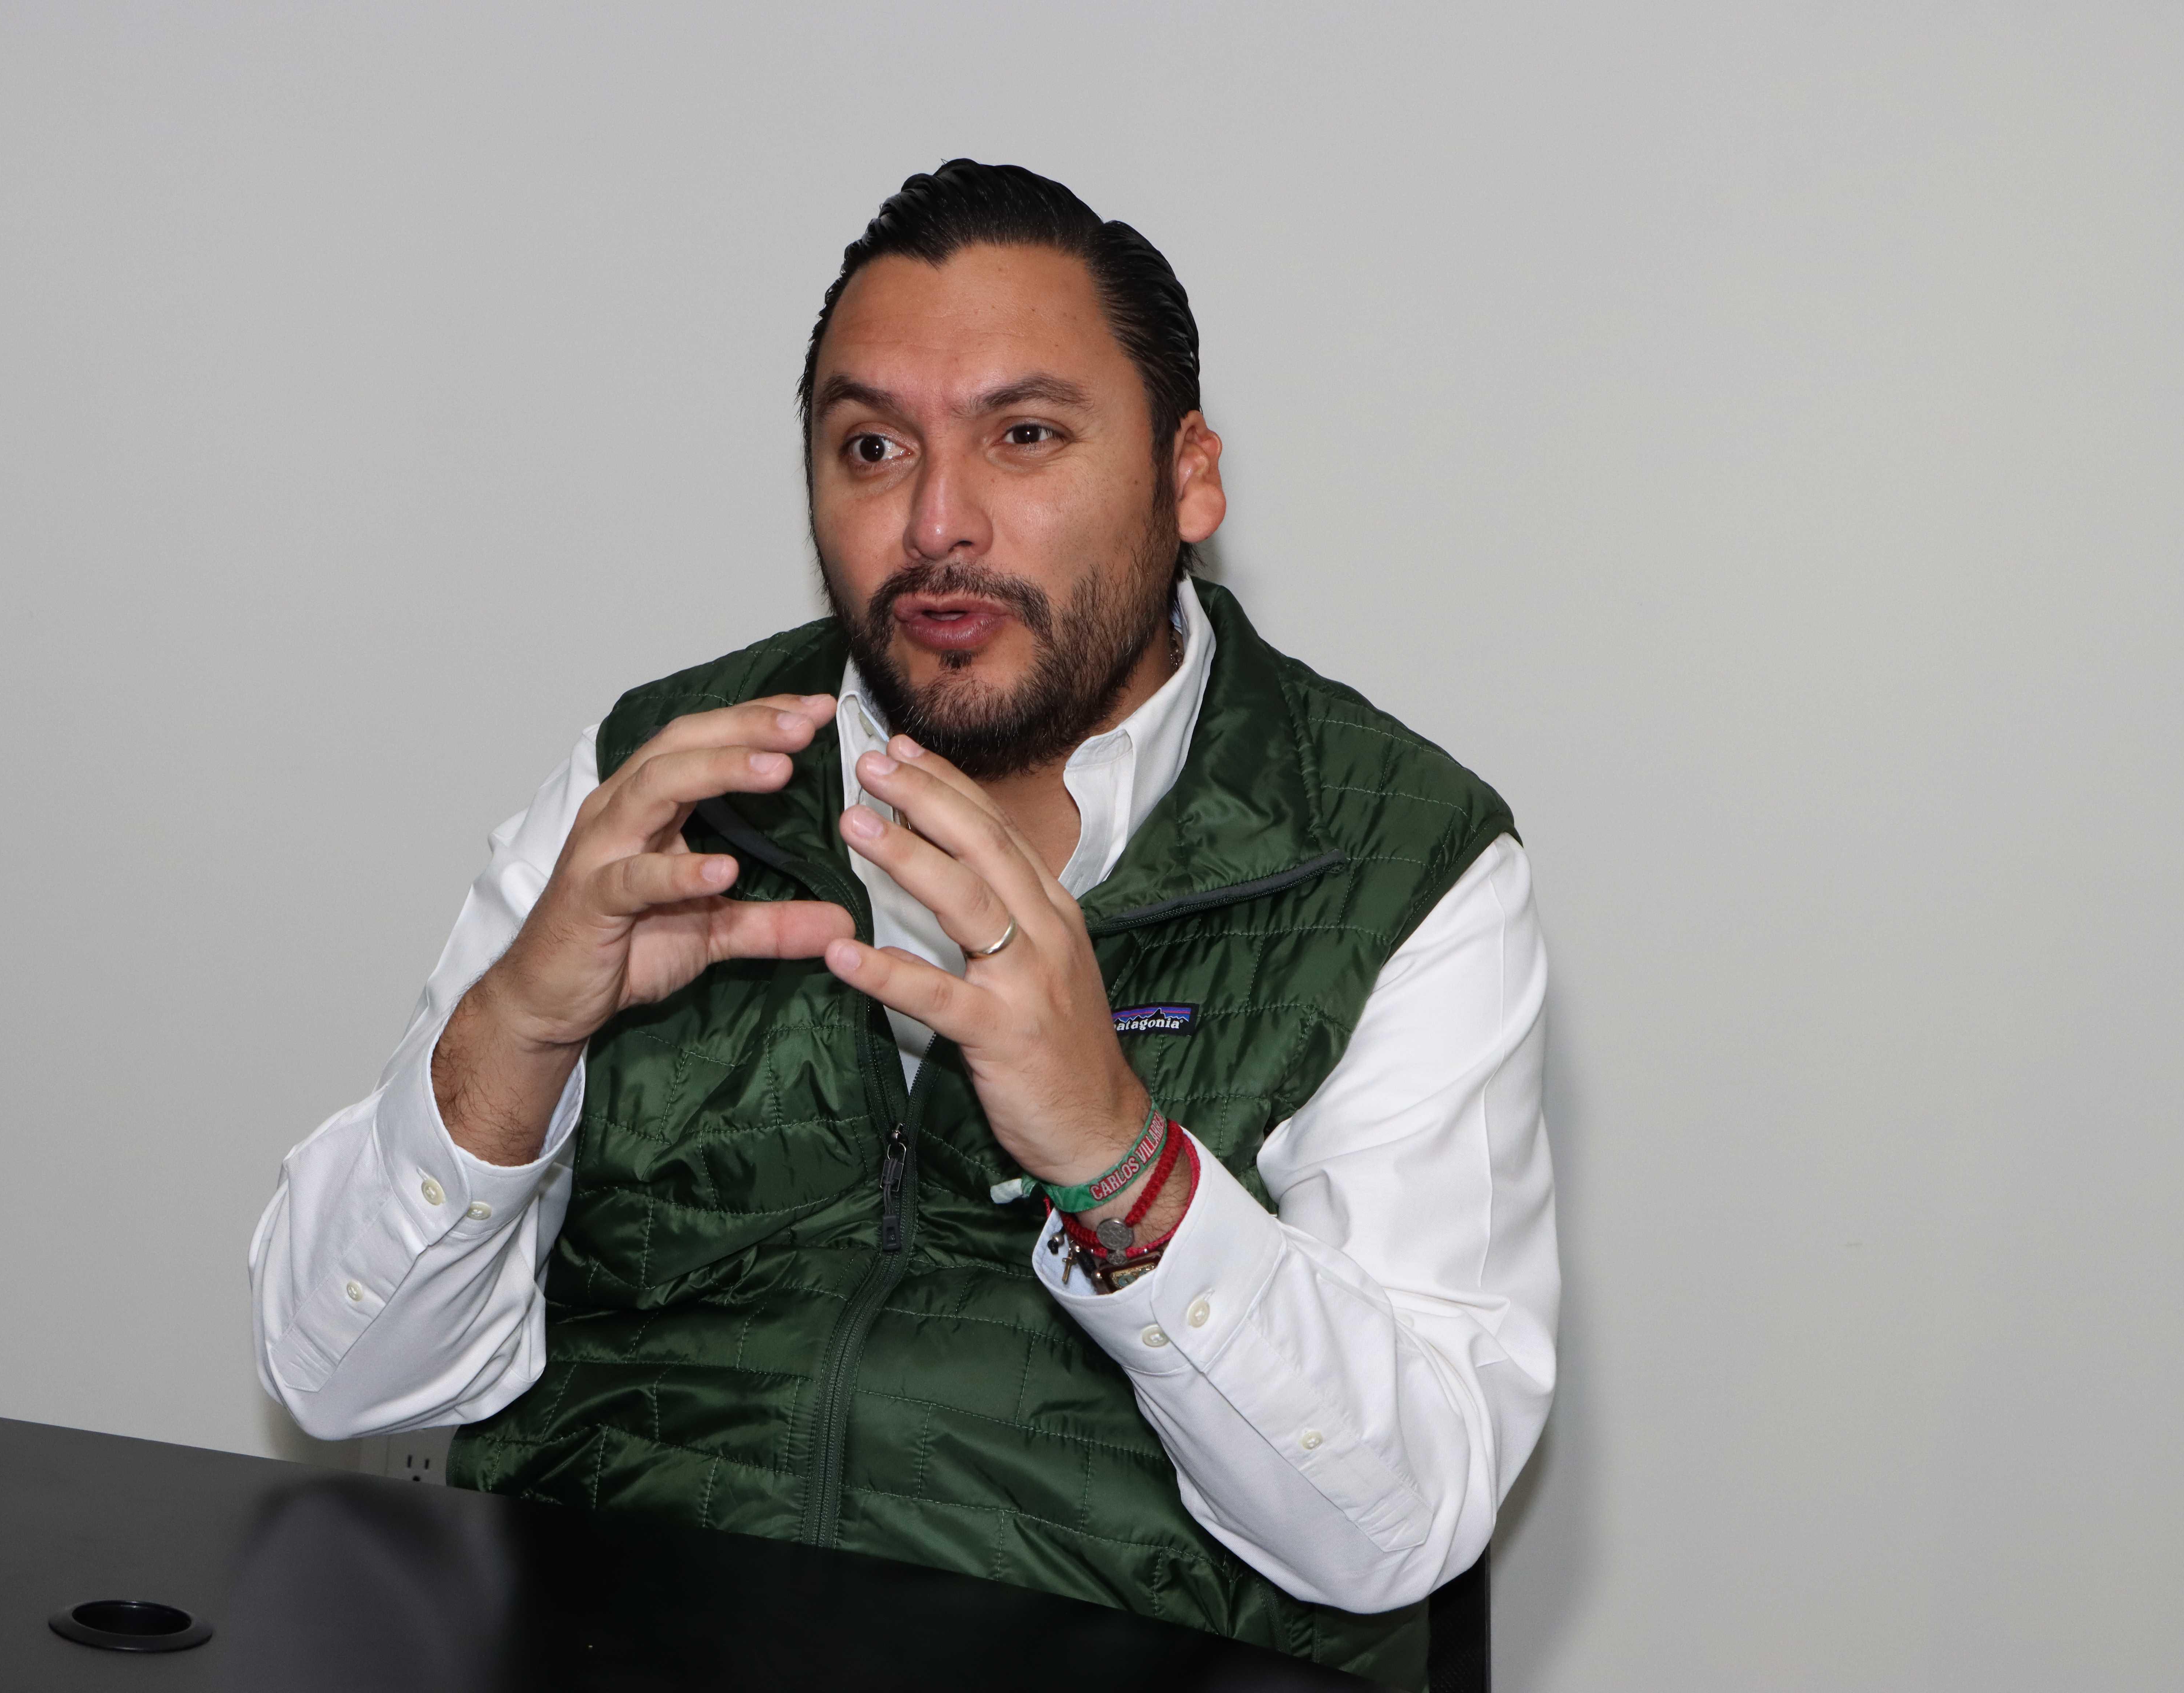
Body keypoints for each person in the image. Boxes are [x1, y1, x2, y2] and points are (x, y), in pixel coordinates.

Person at [250, 159, 1556, 1685]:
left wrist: (1118, 1161)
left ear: (1188, 477)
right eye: (872, 447)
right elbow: (339, 1373)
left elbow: (1404, 1520)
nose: (938, 522)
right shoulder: (667, 781)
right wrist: (516, 1034)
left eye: (1025, 436)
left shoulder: (1399, 860)